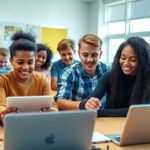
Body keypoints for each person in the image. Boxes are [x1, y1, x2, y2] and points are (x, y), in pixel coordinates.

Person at [82, 36, 150, 117]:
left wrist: (101, 112)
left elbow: (139, 110)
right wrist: (88, 104)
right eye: (123, 58)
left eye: (133, 60)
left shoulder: (147, 80)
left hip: (137, 123)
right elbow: (89, 102)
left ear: (143, 61)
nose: (126, 63)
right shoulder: (110, 76)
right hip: (110, 123)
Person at [0, 31, 56, 124]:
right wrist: (3, 115)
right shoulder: (2, 80)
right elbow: (1, 106)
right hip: (12, 126)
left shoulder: (42, 81)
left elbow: (53, 106)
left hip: (37, 125)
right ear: (11, 61)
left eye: (30, 62)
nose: (25, 67)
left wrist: (53, 112)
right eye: (20, 62)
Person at [56, 34, 109, 110]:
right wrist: (83, 104)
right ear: (79, 54)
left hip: (105, 118)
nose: (89, 59)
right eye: (85, 55)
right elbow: (60, 102)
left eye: (94, 55)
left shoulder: (108, 71)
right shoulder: (68, 73)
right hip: (79, 117)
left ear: (100, 54)